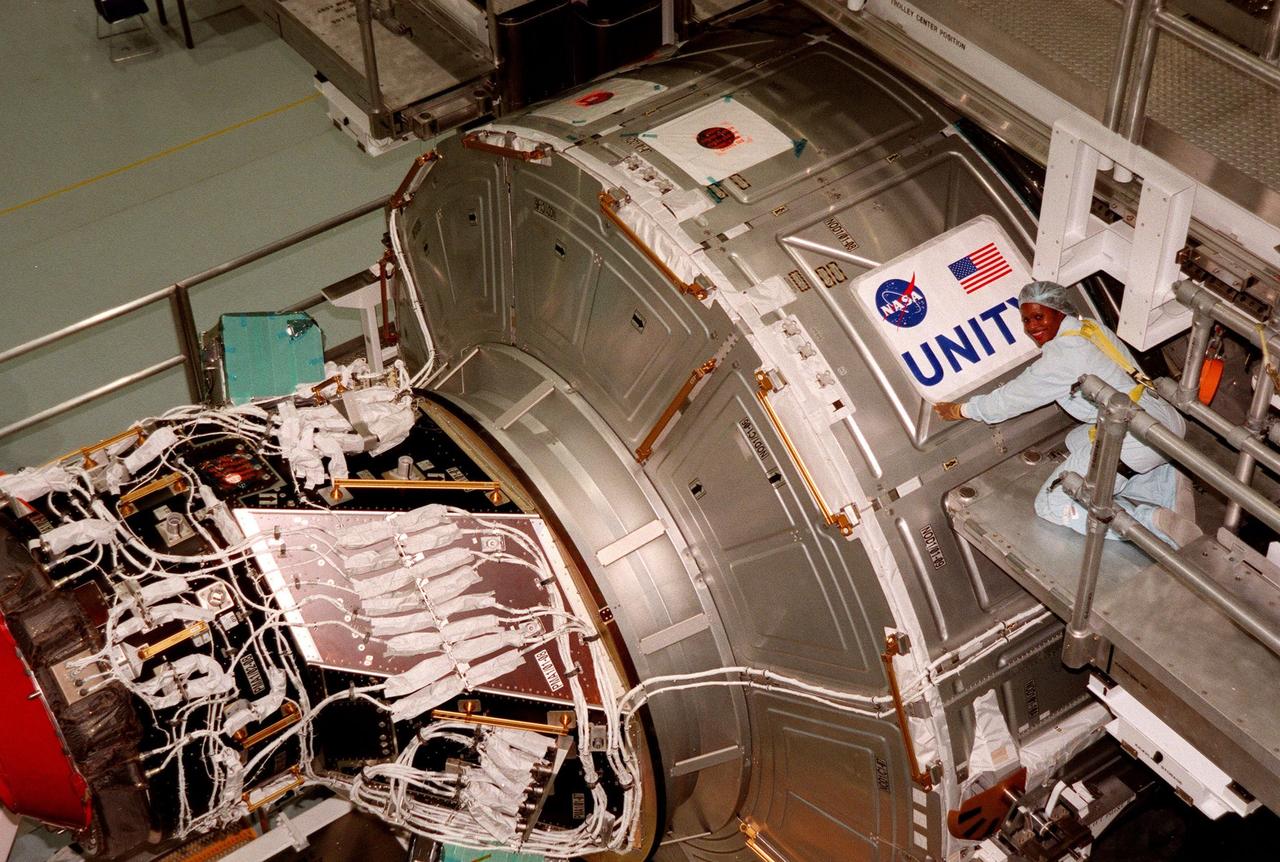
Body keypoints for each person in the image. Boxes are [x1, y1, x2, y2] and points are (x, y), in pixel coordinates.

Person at [933, 281, 1199, 547]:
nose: (1032, 327)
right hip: (1162, 421)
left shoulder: (1062, 357)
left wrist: (960, 410)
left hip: (1135, 438)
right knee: (1075, 440)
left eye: (1039, 317)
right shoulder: (1090, 328)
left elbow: (1009, 399)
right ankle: (1166, 481)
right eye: (1026, 320)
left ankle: (1152, 523)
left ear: (1059, 311)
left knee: (1052, 504)